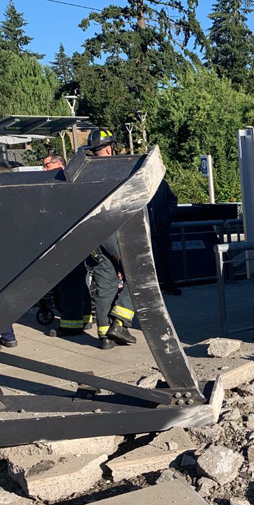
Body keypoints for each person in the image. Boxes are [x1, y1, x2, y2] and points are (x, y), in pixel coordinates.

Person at [86, 129, 139, 350]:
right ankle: (120, 322)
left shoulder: (86, 172)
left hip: (91, 238)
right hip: (113, 233)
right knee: (137, 277)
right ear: (109, 148)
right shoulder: (116, 170)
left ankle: (105, 337)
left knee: (104, 286)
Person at [42, 153, 95, 338]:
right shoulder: (75, 183)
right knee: (80, 283)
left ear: (59, 164)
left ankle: (70, 326)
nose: (44, 169)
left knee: (69, 286)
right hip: (79, 242)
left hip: (66, 244)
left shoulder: (60, 183)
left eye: (46, 165)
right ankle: (85, 319)